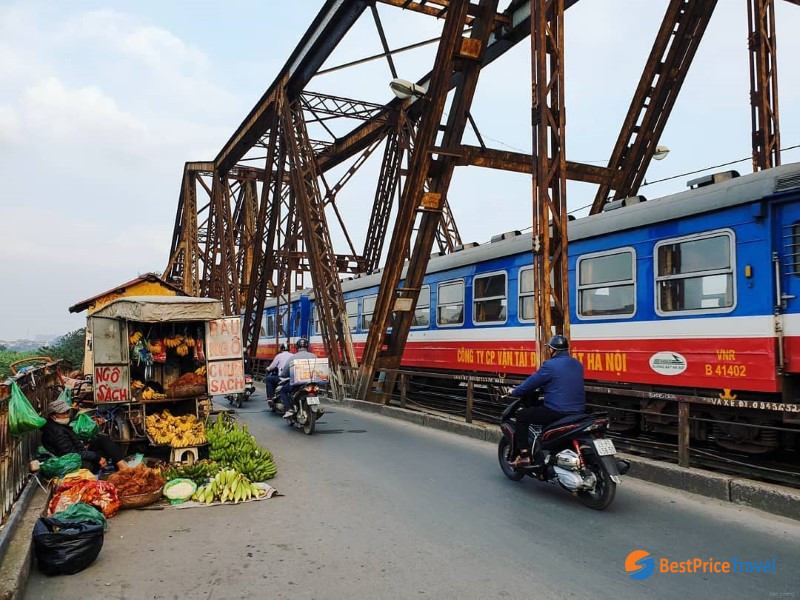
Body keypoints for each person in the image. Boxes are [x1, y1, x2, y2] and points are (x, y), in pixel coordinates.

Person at [508, 335, 585, 467]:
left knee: (522, 416)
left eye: (549, 348)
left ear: (552, 350)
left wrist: (514, 391)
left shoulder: (549, 365)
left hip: (558, 411)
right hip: (578, 411)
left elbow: (529, 384)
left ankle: (524, 455)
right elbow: (564, 382)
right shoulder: (577, 364)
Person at [40, 395, 128, 474]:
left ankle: (122, 467)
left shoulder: (58, 426)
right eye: (63, 413)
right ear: (53, 416)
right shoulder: (57, 432)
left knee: (103, 440)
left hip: (78, 457)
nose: (67, 415)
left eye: (67, 412)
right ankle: (123, 469)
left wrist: (85, 446)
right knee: (105, 450)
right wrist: (97, 458)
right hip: (78, 465)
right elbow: (71, 455)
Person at [279, 338, 317, 418]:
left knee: (283, 391)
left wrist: (282, 375)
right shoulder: (314, 356)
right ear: (307, 347)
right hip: (311, 382)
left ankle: (289, 409)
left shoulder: (293, 357)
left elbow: (285, 371)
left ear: (297, 347)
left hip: (297, 383)